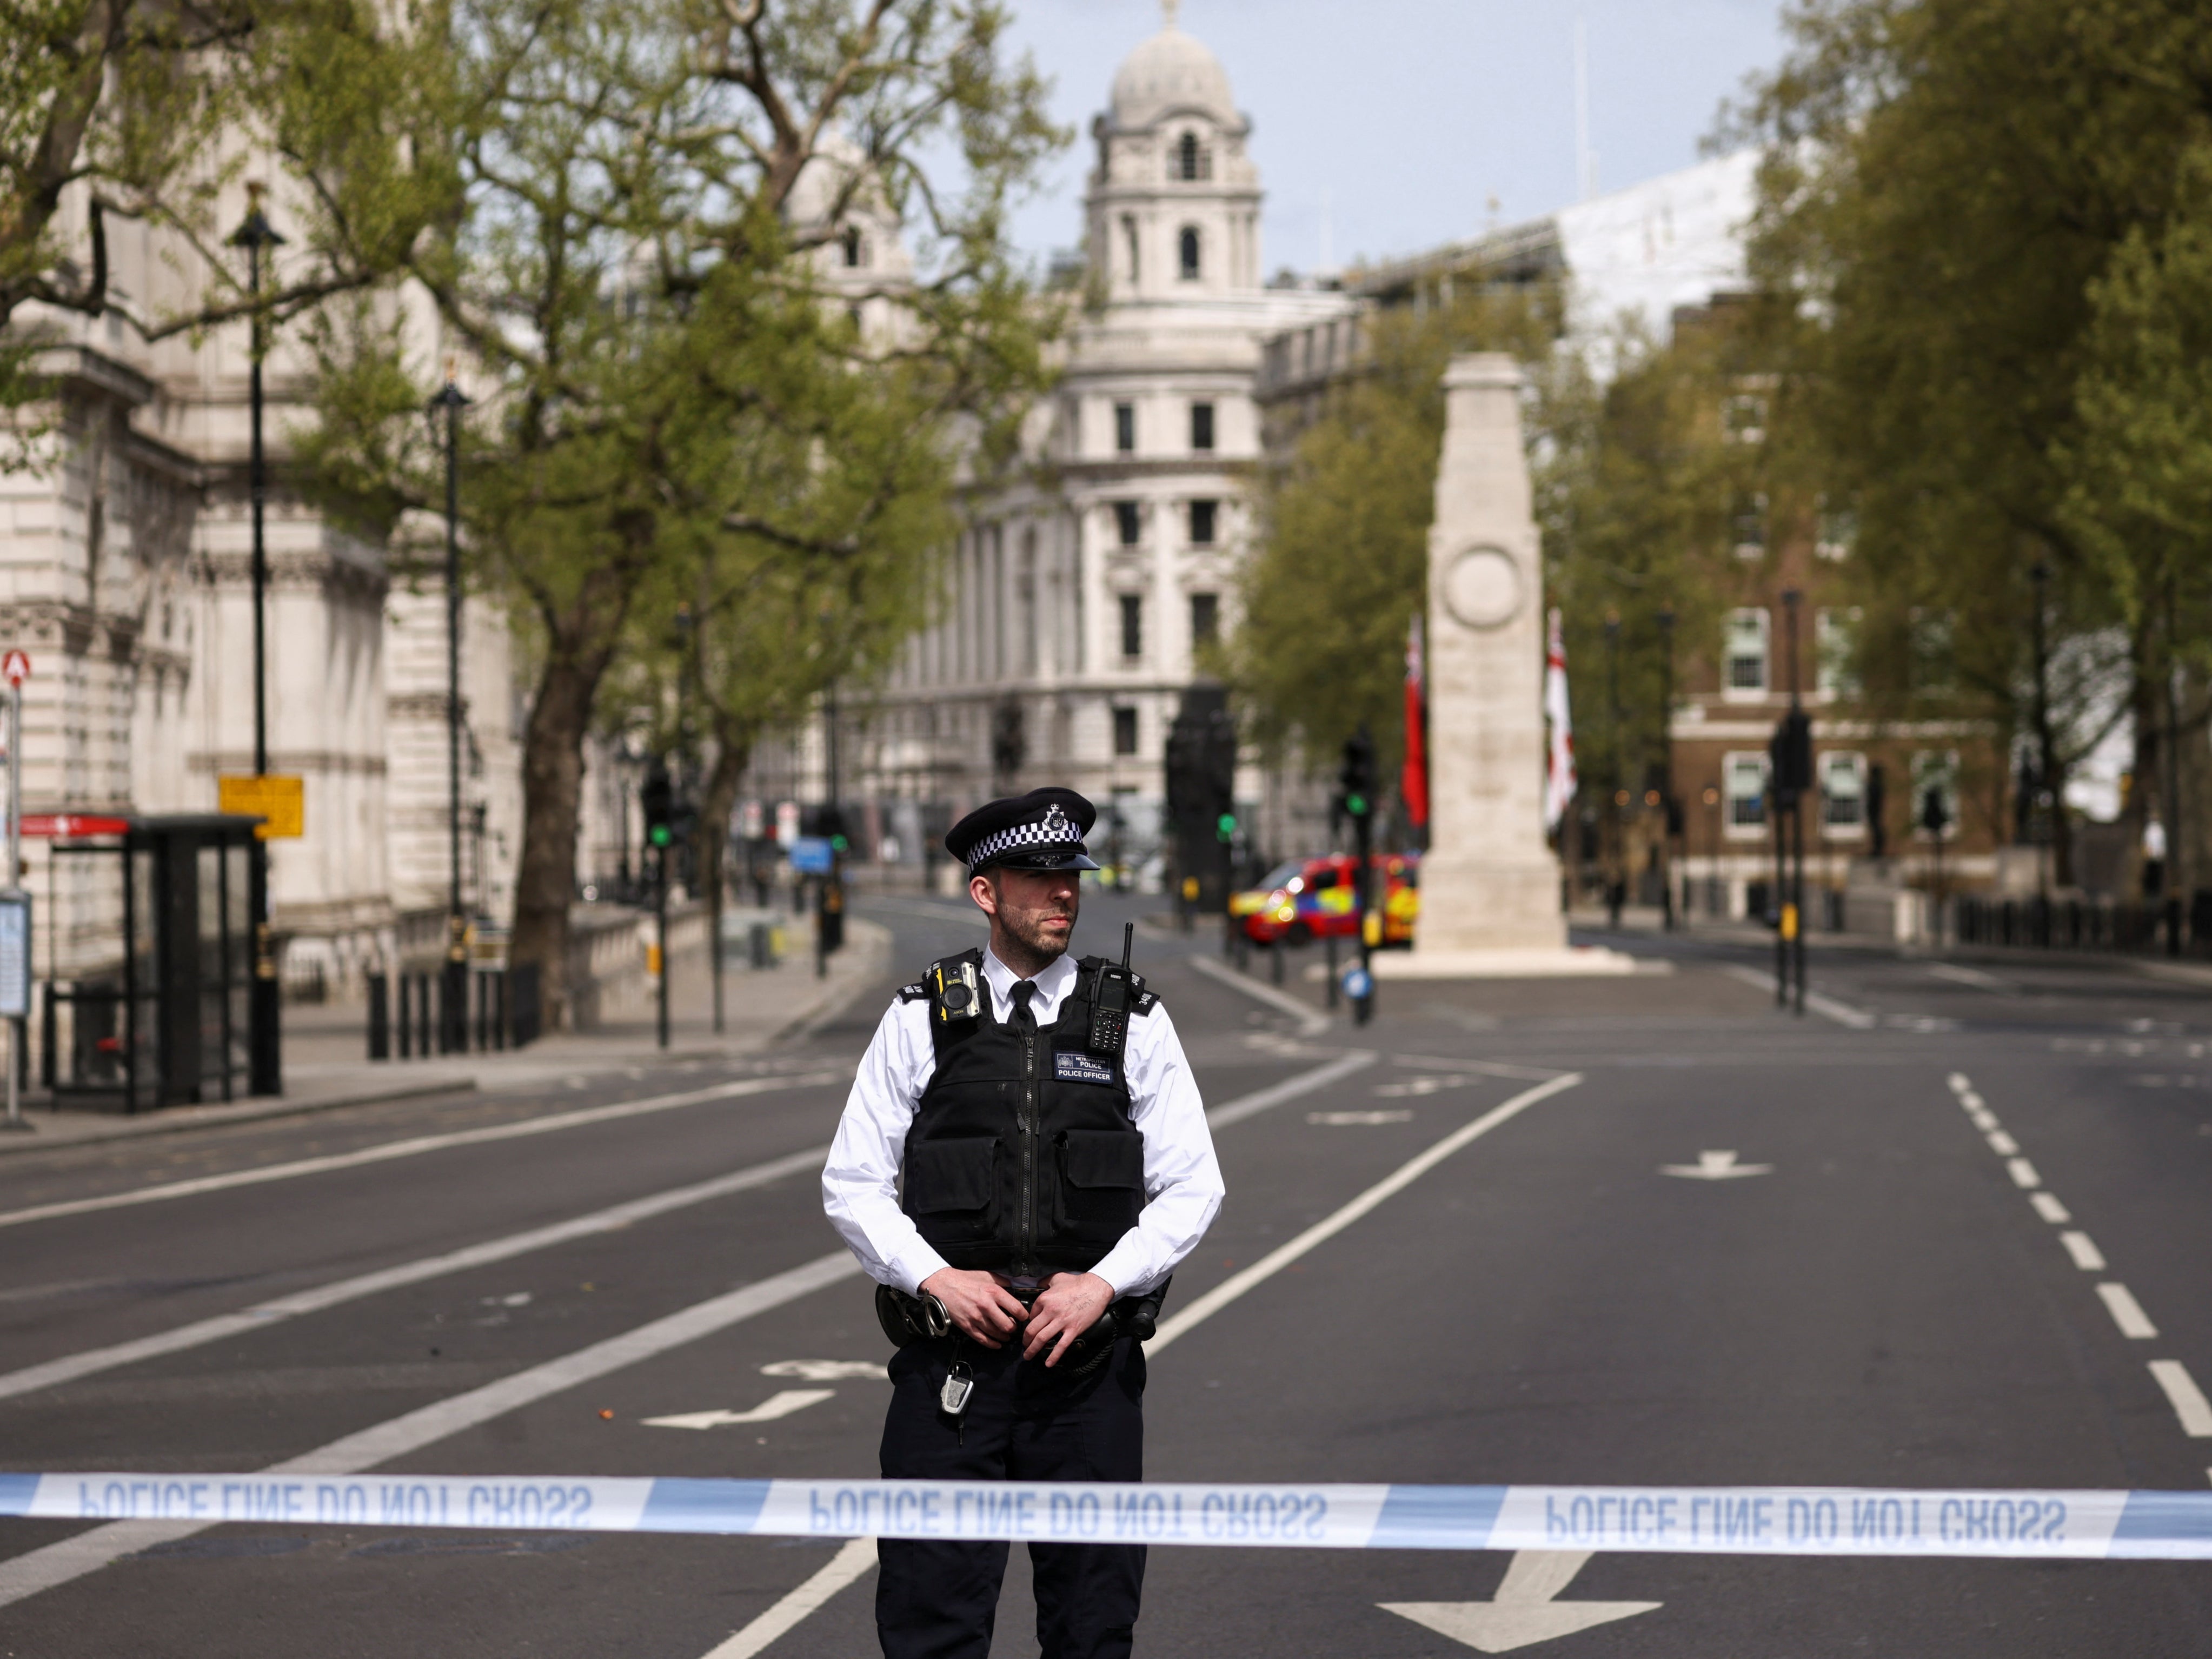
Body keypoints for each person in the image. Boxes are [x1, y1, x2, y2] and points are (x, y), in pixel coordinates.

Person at [823, 786, 1226, 1659]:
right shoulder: (921, 1017)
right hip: (952, 1378)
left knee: (1092, 1627)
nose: (1063, 894)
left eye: (1070, 875)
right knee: (932, 1623)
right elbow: (851, 1182)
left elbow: (1195, 1187)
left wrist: (1102, 1285)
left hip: (1084, 1375)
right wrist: (934, 1277)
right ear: (985, 892)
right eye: (1038, 877)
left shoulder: (1134, 1023)